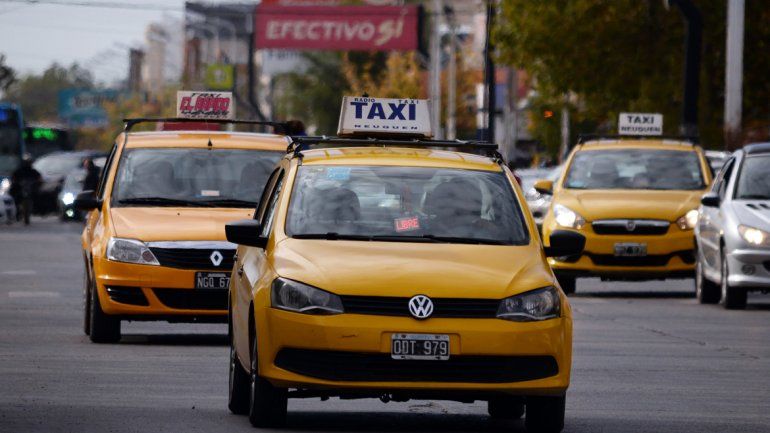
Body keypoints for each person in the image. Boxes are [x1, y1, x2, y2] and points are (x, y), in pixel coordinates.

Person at [10, 155, 42, 225]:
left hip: (30, 189)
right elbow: (13, 178)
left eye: (29, 162)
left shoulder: (33, 171)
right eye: (26, 162)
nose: (27, 164)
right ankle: (17, 211)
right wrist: (17, 183)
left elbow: (39, 178)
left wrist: (36, 182)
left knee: (38, 197)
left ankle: (37, 210)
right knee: (15, 197)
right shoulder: (19, 171)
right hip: (20, 189)